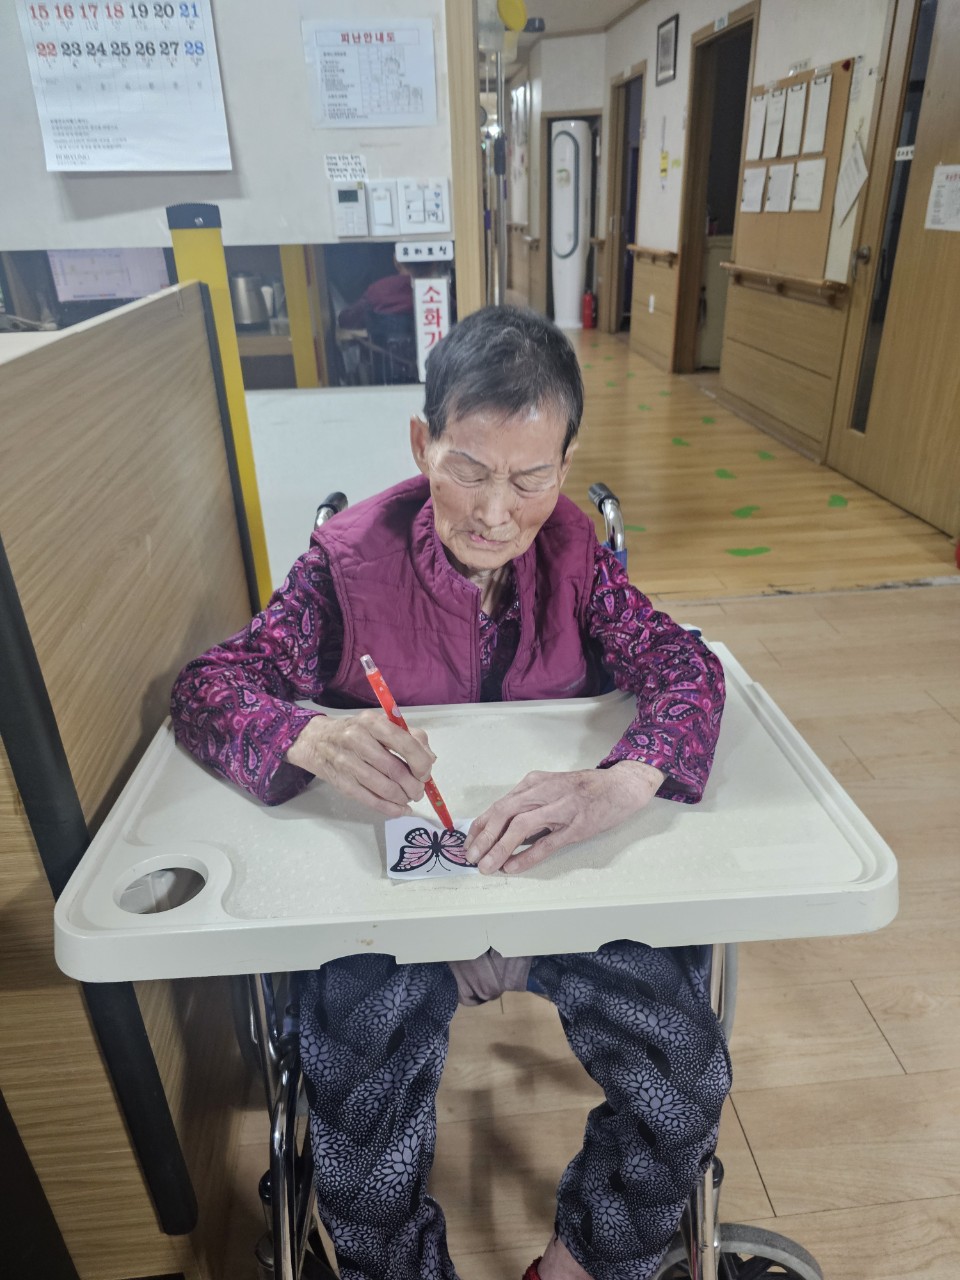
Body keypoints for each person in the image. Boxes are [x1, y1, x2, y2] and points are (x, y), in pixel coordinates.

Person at [170, 306, 730, 1280]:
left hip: (556, 892)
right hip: (395, 915)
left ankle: (581, 1263)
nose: (497, 513)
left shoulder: (577, 558)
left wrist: (620, 781)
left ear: (566, 464)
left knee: (684, 1073)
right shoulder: (347, 567)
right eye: (469, 468)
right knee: (358, 1132)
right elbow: (208, 687)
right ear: (421, 442)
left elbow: (687, 666)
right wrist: (310, 733)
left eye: (531, 478)